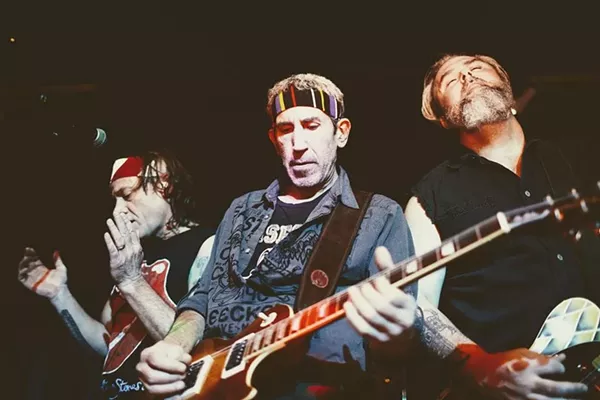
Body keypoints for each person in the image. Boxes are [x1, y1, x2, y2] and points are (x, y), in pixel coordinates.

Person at [135, 73, 419, 399]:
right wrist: (174, 344)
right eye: (286, 129)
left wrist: (399, 331)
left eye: (311, 126)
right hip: (216, 383)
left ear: (341, 133)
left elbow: (396, 348)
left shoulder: (378, 215)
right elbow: (202, 298)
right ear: (274, 139)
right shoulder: (242, 208)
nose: (298, 144)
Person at [405, 53, 594, 399]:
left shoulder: (575, 158)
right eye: (451, 80)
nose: (467, 77)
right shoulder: (429, 196)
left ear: (506, 87)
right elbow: (419, 305)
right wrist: (480, 365)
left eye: (477, 67)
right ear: (442, 118)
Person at [17, 150, 215, 399]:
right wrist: (59, 294)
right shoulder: (135, 255)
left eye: (127, 195)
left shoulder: (206, 245)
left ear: (164, 186)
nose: (117, 211)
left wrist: (131, 281)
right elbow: (110, 346)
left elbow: (199, 347)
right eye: (115, 200)